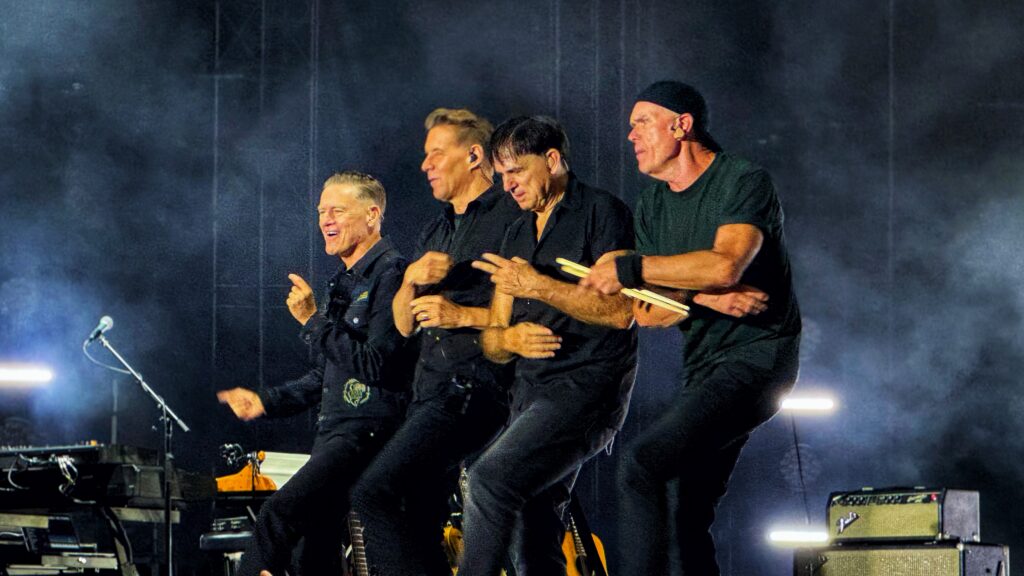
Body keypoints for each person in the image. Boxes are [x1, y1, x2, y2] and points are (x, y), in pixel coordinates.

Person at [582, 80, 802, 576]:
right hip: (703, 366)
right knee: (683, 506)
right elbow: (648, 312)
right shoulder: (652, 205)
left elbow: (725, 264)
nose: (630, 135)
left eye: (642, 122)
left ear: (681, 125)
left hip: (759, 358)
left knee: (641, 464)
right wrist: (702, 295)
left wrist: (632, 269)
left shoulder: (741, 179)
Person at [350, 108, 521, 576]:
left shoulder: (512, 218)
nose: (425, 165)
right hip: (429, 391)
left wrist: (461, 314)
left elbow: (536, 312)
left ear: (473, 156)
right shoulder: (436, 229)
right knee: (417, 517)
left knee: (374, 493)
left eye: (436, 154)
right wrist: (409, 280)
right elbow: (404, 325)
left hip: (477, 389)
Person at [217, 171, 415, 576]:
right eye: (322, 212)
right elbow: (324, 376)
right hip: (334, 434)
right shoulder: (341, 284)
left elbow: (377, 365)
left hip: (366, 434)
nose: (326, 220)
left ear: (372, 215)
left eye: (337, 211)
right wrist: (265, 401)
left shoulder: (393, 275)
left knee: (276, 517)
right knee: (314, 550)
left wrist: (312, 321)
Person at [464, 115, 637, 575]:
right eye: (502, 175)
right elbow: (494, 337)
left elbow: (621, 311)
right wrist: (509, 338)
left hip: (585, 391)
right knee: (533, 531)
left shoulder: (603, 212)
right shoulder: (516, 232)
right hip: (527, 396)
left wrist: (538, 286)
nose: (508, 185)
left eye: (516, 171)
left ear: (553, 160)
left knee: (489, 479)